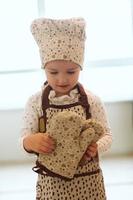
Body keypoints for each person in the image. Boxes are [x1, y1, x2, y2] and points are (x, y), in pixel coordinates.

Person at [21, 17, 112, 200]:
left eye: (71, 72)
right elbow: (24, 138)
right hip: (52, 186)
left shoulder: (92, 100)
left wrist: (96, 147)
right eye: (53, 72)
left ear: (80, 67)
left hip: (88, 184)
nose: (62, 80)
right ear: (44, 68)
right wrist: (30, 142)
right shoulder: (35, 102)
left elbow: (107, 135)